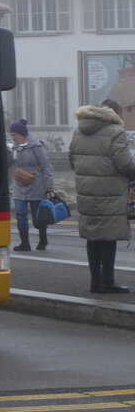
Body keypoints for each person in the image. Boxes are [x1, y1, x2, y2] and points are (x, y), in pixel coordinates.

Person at [68, 99, 135, 293]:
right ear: (116, 114)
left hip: (86, 192)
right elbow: (124, 164)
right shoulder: (116, 132)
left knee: (93, 238)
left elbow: (72, 159)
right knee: (108, 238)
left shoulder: (79, 130)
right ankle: (108, 281)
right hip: (110, 193)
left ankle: (95, 282)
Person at [9, 119, 53, 251]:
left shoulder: (36, 146)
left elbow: (46, 166)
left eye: (14, 134)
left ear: (22, 135)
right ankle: (25, 243)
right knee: (20, 214)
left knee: (37, 217)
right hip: (19, 184)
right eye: (11, 135)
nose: (12, 137)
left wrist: (49, 185)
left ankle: (43, 239)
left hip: (36, 185)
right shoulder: (13, 148)